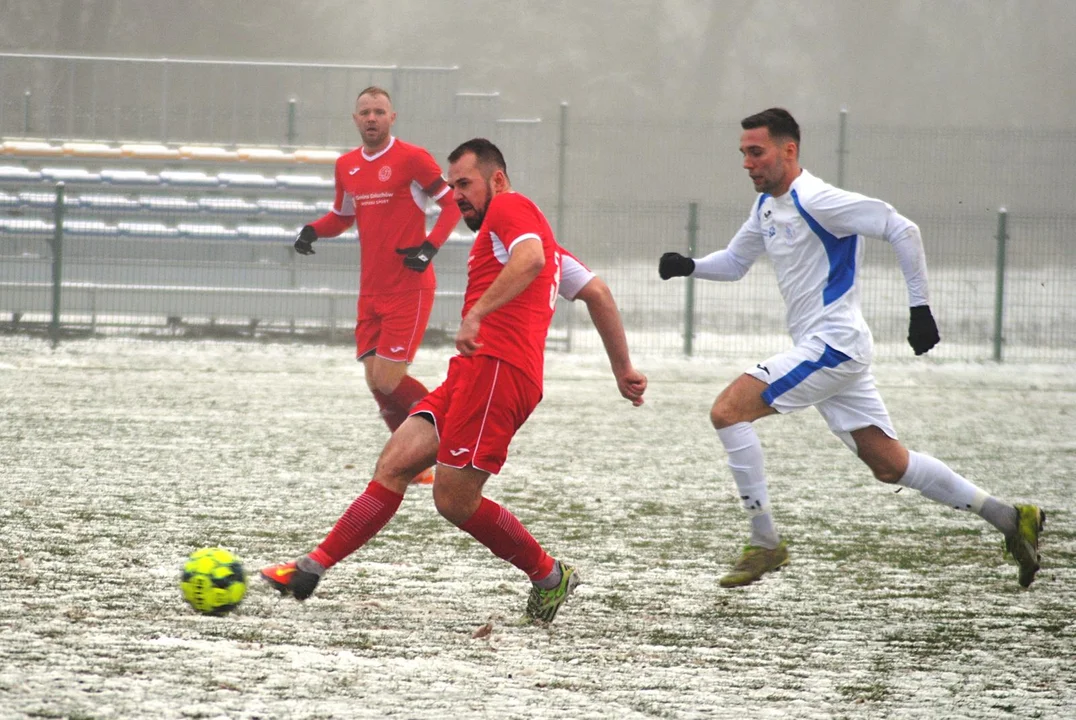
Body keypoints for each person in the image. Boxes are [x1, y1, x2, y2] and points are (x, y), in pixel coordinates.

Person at [658, 107, 1045, 589]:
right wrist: (688, 265)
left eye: (756, 152)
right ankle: (1010, 518)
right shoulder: (767, 208)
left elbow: (902, 229)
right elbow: (737, 262)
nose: (747, 163)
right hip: (831, 348)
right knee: (889, 464)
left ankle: (764, 543)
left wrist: (920, 308)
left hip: (833, 344)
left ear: (789, 150)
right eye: (743, 154)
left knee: (728, 411)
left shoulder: (818, 199)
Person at [262, 138, 647, 622]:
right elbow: (599, 294)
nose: (457, 194)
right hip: (473, 373)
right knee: (395, 463)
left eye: (465, 183)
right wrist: (623, 369)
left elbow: (529, 261)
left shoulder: (510, 208)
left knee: (453, 499)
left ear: (498, 180)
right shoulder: (533, 238)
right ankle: (310, 568)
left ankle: (550, 576)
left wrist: (478, 313)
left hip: (499, 373)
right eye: (451, 186)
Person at [293, 86, 462, 484]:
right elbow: (341, 217)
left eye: (379, 111)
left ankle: (452, 433)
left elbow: (452, 203)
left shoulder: (412, 158)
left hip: (409, 286)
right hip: (371, 289)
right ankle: (417, 464)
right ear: (355, 119)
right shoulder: (347, 165)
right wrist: (312, 231)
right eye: (365, 112)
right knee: (376, 382)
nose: (371, 118)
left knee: (388, 380)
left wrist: (429, 248)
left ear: (392, 117)